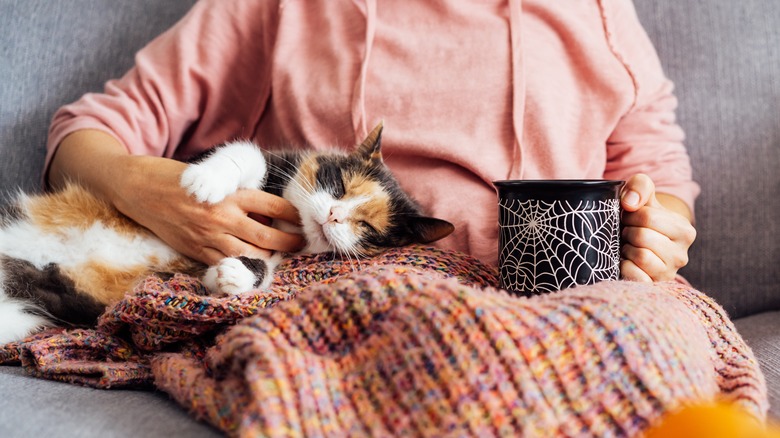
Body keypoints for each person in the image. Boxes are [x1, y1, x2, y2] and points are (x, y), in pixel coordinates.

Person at [45, 0, 698, 283]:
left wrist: (655, 230)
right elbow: (84, 135)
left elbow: (659, 178)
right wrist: (145, 189)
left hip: (566, 299)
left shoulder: (599, 15)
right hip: (339, 293)